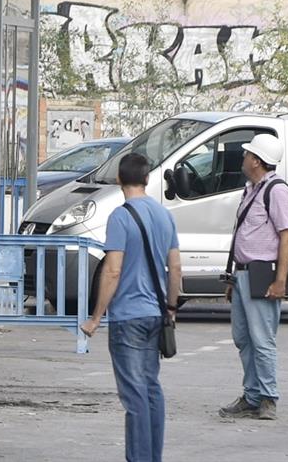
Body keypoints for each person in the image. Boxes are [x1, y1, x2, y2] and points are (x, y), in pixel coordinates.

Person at [82, 152, 182, 462]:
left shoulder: (120, 217)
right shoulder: (165, 215)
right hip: (156, 313)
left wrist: (96, 317)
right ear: (148, 178)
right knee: (151, 388)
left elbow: (112, 270)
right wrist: (171, 306)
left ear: (118, 180)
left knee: (134, 394)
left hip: (128, 317)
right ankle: (153, 456)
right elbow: (175, 267)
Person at [219, 134, 288, 422]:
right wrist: (233, 279)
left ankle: (267, 398)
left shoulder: (276, 191)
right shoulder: (251, 189)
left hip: (263, 274)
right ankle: (251, 395)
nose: (243, 159)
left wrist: (281, 280)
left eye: (246, 155)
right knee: (242, 338)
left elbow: (287, 235)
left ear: (256, 161)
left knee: (262, 340)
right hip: (243, 274)